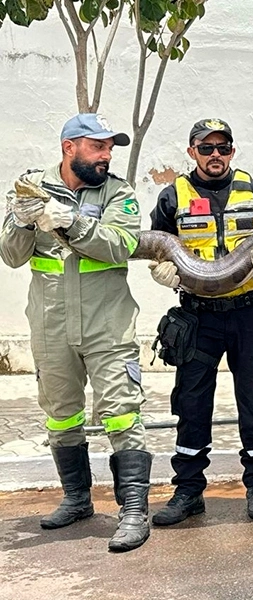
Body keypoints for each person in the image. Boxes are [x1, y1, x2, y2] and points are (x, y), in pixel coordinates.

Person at [0, 113, 151, 552]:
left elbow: (122, 244)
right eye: (98, 147)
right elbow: (11, 256)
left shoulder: (119, 192)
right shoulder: (30, 187)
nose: (107, 155)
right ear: (70, 148)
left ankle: (134, 512)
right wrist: (26, 219)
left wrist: (70, 222)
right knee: (61, 413)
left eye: (110, 148)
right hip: (50, 323)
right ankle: (77, 499)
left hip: (107, 322)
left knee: (121, 411)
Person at [148, 118, 253, 525]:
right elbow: (157, 245)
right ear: (191, 151)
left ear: (232, 151)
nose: (215, 155)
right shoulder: (172, 196)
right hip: (197, 317)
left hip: (250, 313)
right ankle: (188, 490)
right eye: (205, 147)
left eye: (222, 148)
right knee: (192, 403)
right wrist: (162, 270)